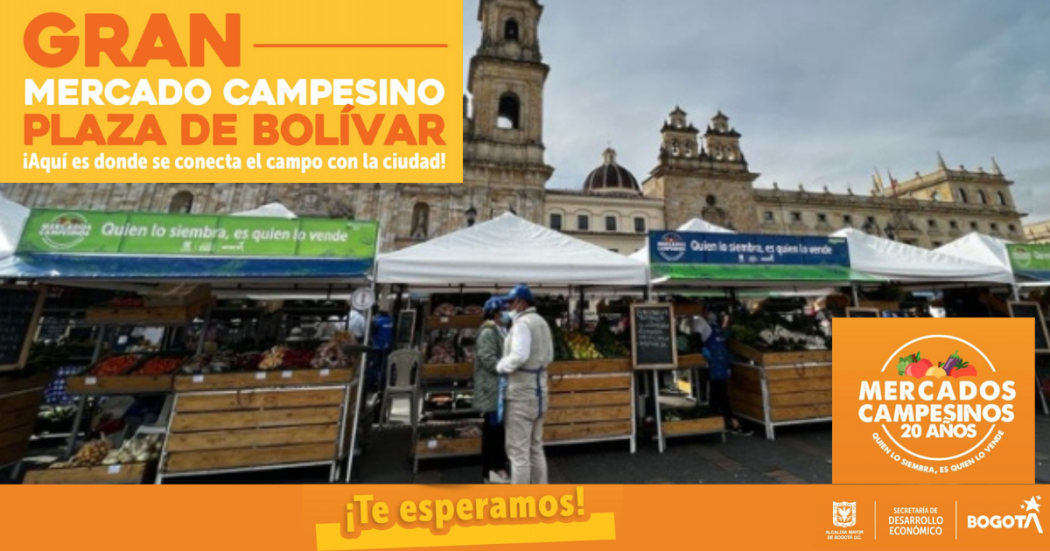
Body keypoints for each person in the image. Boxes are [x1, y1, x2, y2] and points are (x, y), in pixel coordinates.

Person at [496, 283, 554, 485]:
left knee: (518, 453)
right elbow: (549, 356)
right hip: (540, 393)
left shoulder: (522, 324)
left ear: (522, 302)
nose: (508, 307)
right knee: (536, 447)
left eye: (511, 302)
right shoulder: (542, 322)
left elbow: (519, 356)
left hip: (521, 395)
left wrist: (502, 365)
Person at [475, 298, 510, 484]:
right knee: (493, 430)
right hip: (492, 388)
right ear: (495, 313)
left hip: (498, 386)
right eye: (503, 311)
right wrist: (506, 367)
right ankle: (492, 469)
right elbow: (488, 359)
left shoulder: (499, 330)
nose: (506, 314)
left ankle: (496, 467)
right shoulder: (488, 332)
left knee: (497, 429)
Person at [701, 312, 752, 435]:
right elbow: (724, 346)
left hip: (714, 367)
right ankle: (727, 422)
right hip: (721, 366)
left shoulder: (706, 330)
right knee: (720, 395)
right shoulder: (719, 331)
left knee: (719, 395)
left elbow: (706, 350)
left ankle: (725, 422)